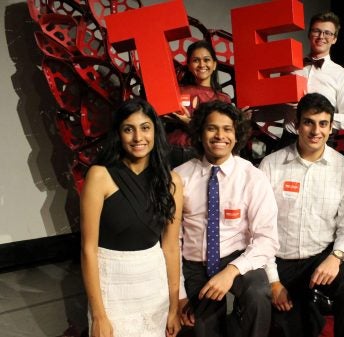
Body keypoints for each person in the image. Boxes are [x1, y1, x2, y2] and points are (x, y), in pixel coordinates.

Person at [259, 92, 344, 337]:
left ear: (331, 127)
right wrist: (273, 281)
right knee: (290, 328)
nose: (316, 131)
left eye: (323, 123)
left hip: (321, 258)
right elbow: (260, 228)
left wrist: (336, 257)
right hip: (279, 260)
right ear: (296, 124)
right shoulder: (270, 165)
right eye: (309, 122)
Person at [174, 100, 279, 337]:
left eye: (227, 129)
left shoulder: (252, 176)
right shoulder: (179, 177)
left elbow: (267, 239)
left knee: (258, 295)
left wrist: (231, 271)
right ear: (200, 132)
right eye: (211, 128)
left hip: (236, 257)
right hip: (194, 264)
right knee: (202, 330)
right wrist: (179, 295)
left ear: (236, 134)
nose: (220, 135)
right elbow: (172, 243)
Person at [80, 98, 183, 337]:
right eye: (129, 129)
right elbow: (88, 249)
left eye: (145, 128)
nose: (138, 138)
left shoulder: (172, 182)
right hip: (111, 288)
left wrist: (174, 307)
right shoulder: (99, 176)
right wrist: (98, 315)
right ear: (118, 134)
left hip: (153, 288)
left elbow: (169, 248)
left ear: (155, 132)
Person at [274, 11, 344, 147]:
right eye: (316, 31)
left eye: (328, 33)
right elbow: (278, 110)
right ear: (309, 34)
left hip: (321, 143)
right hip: (288, 141)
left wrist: (321, 115)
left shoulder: (342, 75)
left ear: (335, 39)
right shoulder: (290, 69)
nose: (321, 37)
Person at [165, 40, 232, 168]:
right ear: (189, 65)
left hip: (203, 155)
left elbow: (220, 132)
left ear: (214, 65)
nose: (202, 64)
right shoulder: (175, 91)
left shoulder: (223, 100)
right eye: (196, 60)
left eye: (206, 60)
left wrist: (188, 122)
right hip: (171, 152)